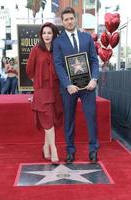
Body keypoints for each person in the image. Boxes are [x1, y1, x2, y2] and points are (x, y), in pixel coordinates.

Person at [53, 7, 100, 164]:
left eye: (71, 18)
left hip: (88, 87)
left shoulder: (87, 38)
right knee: (69, 120)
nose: (69, 21)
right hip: (69, 89)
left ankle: (93, 150)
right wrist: (67, 84)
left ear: (75, 19)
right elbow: (58, 65)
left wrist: (94, 79)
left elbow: (94, 60)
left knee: (91, 117)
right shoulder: (58, 42)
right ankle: (70, 151)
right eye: (66, 19)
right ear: (63, 21)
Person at [26, 22, 63, 164]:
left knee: (52, 119)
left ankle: (45, 146)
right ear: (41, 35)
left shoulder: (57, 49)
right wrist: (38, 82)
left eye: (49, 33)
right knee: (47, 118)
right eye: (44, 33)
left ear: (53, 34)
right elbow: (29, 70)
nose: (46, 35)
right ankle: (53, 148)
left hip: (56, 89)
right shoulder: (36, 50)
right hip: (42, 90)